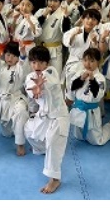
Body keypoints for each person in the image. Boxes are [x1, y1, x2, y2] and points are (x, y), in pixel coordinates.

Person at [23, 46, 68, 194]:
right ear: (30, 63)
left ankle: (54, 179)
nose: (37, 65)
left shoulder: (51, 71)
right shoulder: (30, 77)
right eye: (34, 62)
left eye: (41, 62)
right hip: (44, 115)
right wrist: (36, 90)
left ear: (47, 63)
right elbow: (32, 90)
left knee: (53, 142)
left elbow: (50, 82)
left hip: (59, 116)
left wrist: (41, 85)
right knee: (28, 131)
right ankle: (41, 149)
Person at [68, 49, 110, 146]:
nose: (88, 64)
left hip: (91, 111)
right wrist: (81, 79)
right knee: (78, 136)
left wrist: (92, 80)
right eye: (85, 60)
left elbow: (97, 95)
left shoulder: (100, 78)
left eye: (92, 61)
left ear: (98, 62)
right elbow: (72, 87)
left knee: (97, 141)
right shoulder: (80, 73)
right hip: (79, 109)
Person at [0, 43, 30, 156]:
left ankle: (20, 144)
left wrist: (22, 53)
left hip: (16, 99)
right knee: (7, 134)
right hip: (3, 101)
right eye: (8, 55)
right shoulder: (1, 66)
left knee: (21, 112)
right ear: (4, 55)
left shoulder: (19, 67)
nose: (10, 58)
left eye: (14, 56)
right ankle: (14, 129)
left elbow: (23, 65)